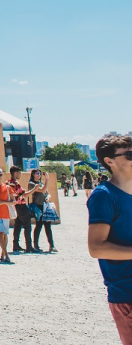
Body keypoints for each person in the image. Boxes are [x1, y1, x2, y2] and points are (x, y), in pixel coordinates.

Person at [87, 135, 132, 345]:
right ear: (109, 161)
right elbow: (96, 247)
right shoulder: (103, 195)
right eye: (129, 154)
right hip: (127, 294)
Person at [28, 169, 57, 253]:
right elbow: (43, 190)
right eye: (37, 173)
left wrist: (48, 197)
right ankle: (36, 245)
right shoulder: (31, 184)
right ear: (33, 174)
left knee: (48, 226)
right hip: (38, 207)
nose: (39, 175)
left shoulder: (41, 183)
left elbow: (47, 193)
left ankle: (52, 245)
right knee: (39, 226)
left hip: (45, 206)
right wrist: (47, 180)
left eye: (40, 174)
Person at [6, 166, 33, 254]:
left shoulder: (7, 182)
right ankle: (29, 246)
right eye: (19, 173)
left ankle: (16, 245)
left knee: (17, 225)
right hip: (21, 206)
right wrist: (35, 189)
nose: (20, 174)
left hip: (15, 206)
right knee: (27, 226)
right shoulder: (15, 183)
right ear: (15, 173)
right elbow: (24, 195)